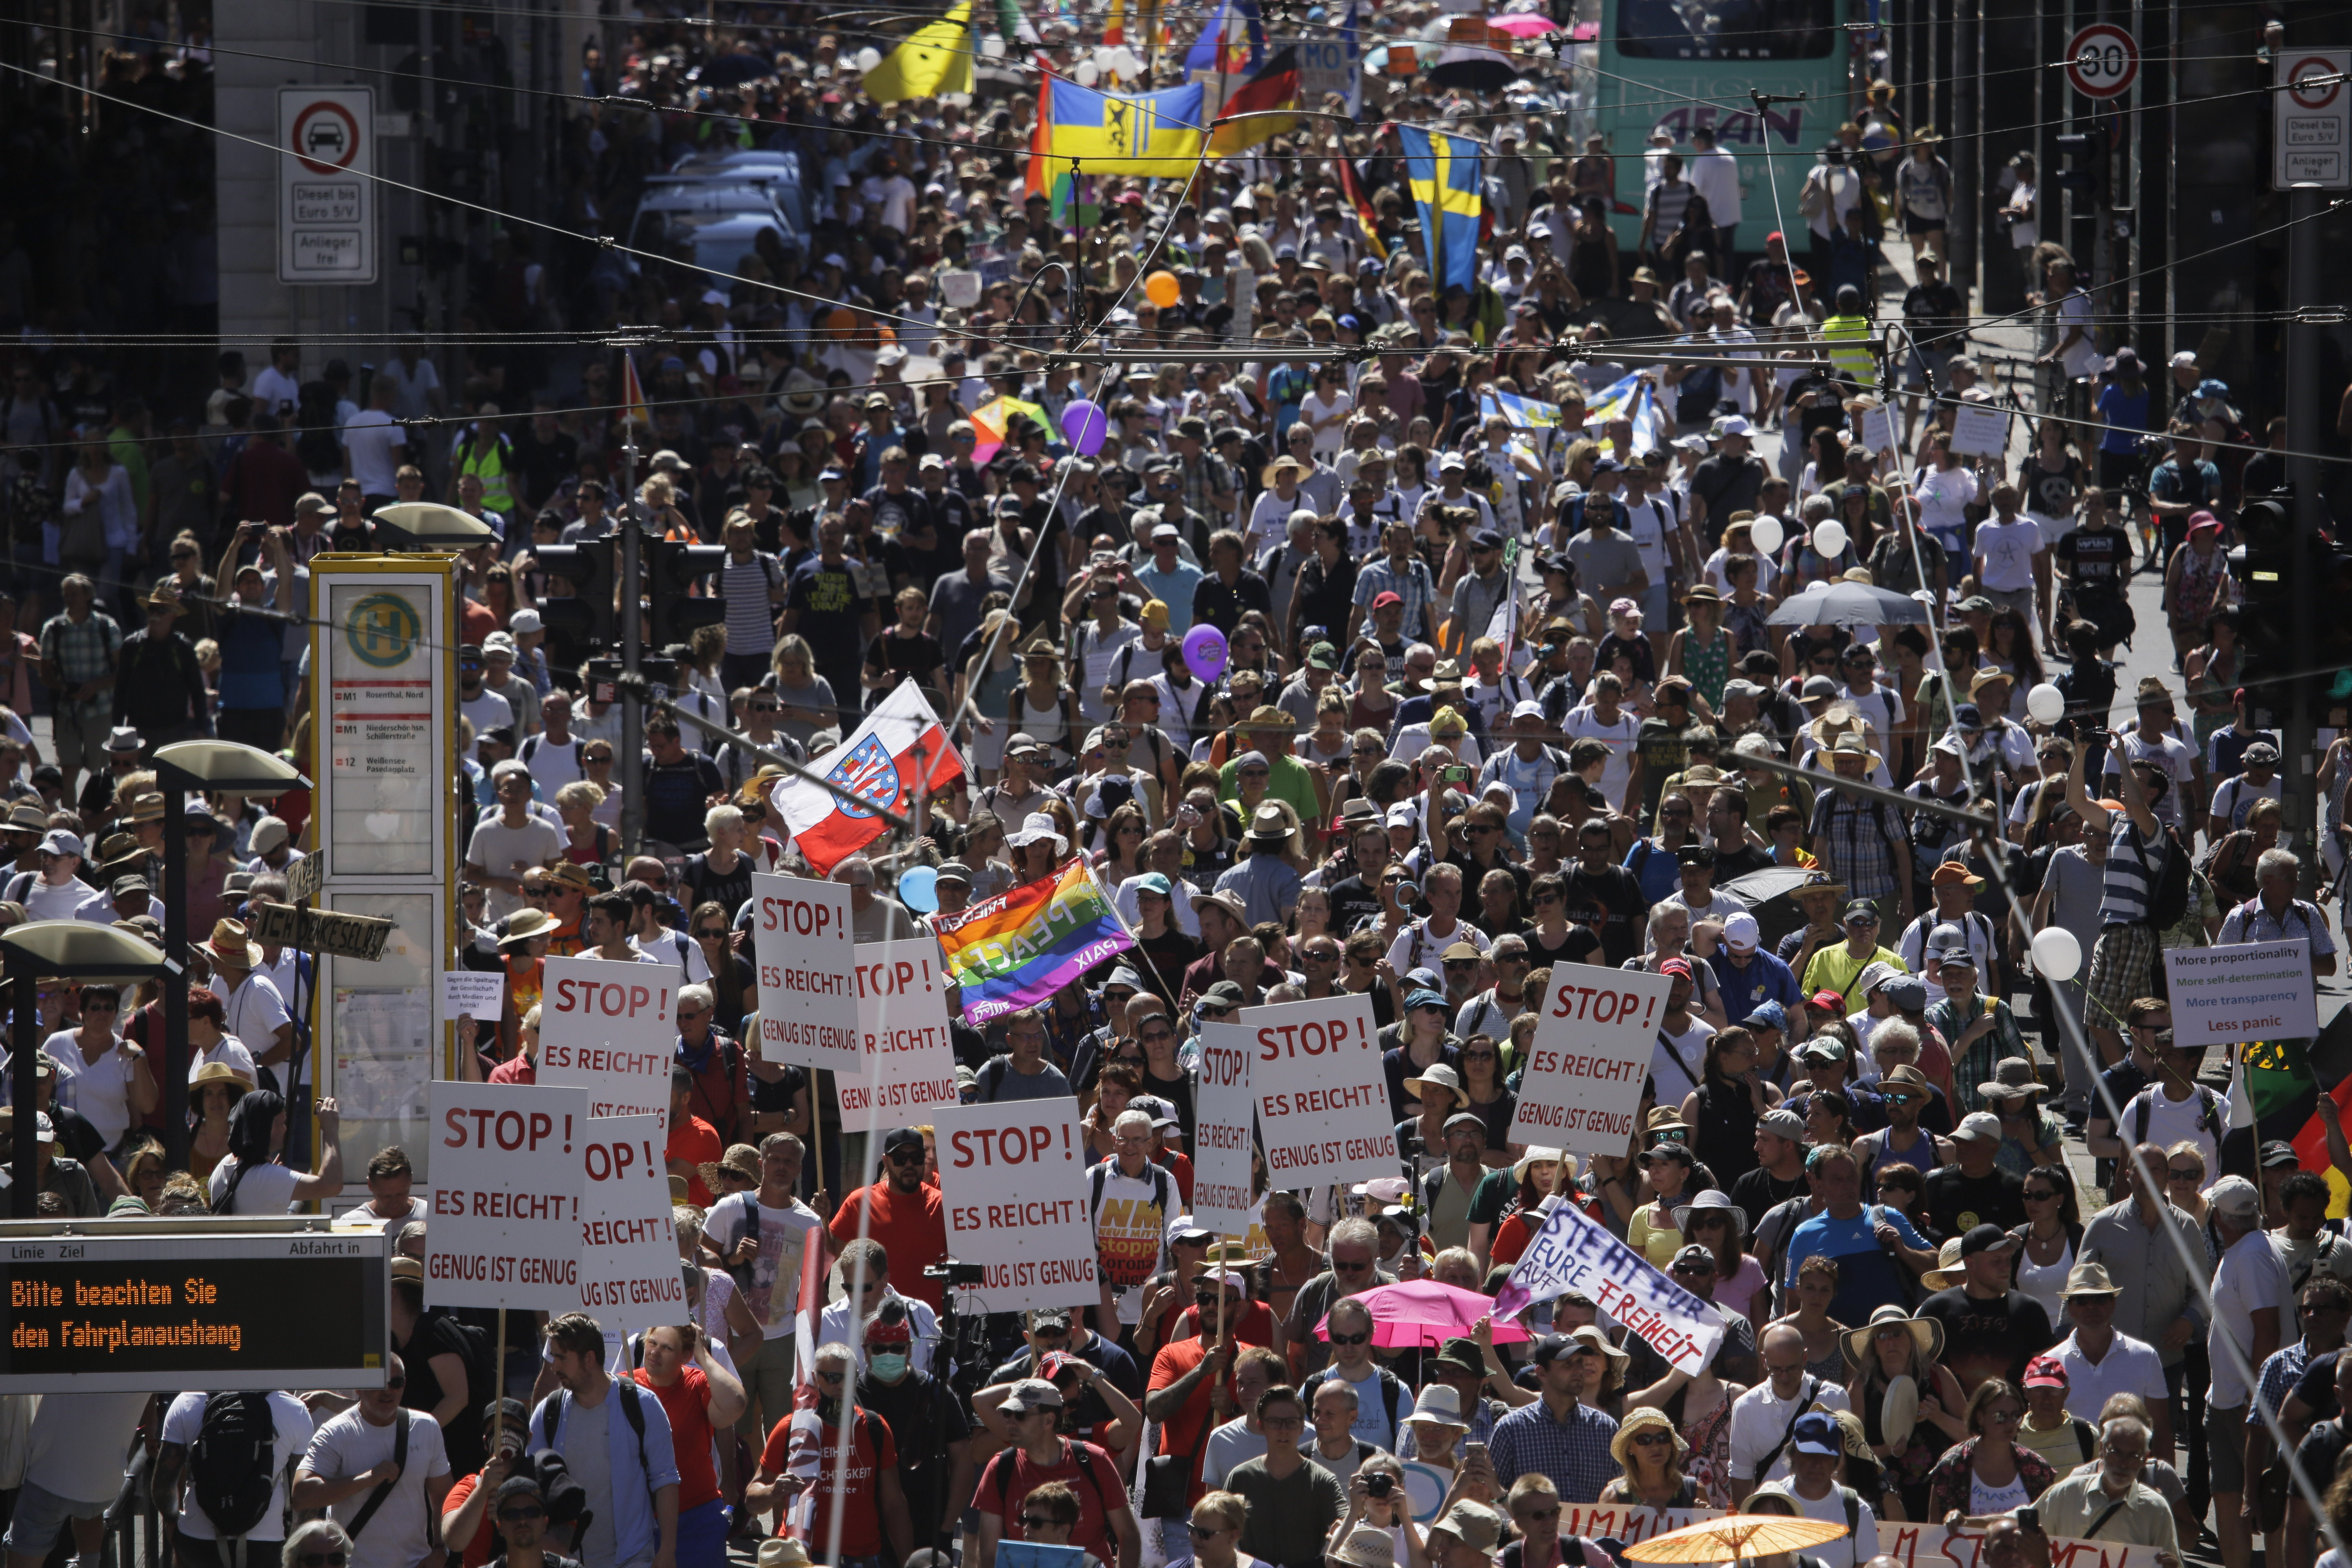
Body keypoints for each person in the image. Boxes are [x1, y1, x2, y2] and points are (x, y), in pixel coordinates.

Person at [530, 1314, 680, 1568]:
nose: (555, 1366)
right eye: (553, 1356)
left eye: (562, 1357)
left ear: (589, 1359)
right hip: (566, 1561)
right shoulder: (548, 1412)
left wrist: (667, 1549)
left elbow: (665, 1481)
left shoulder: (643, 1406)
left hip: (633, 1556)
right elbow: (531, 1485)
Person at [747, 1343, 913, 1567]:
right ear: (816, 1378)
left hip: (862, 1558)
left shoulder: (874, 1428)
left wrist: (908, 1562)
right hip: (803, 1556)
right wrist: (773, 1491)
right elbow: (752, 1501)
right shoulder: (791, 1429)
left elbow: (895, 1505)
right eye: (833, 1378)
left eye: (849, 1378)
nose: (842, 1386)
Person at [293, 1352, 456, 1568]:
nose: (388, 1391)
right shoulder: (335, 1432)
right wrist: (366, 1480)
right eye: (378, 1383)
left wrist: (440, 1549)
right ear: (358, 1388)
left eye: (396, 1383)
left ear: (404, 1385)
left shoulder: (426, 1427)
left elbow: (443, 1496)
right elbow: (301, 1496)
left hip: (415, 1563)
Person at [154, 1378, 319, 1568]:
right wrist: (297, 1549)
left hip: (198, 1538)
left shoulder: (187, 1401)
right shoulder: (294, 1409)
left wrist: (172, 1526)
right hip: (266, 1543)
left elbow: (163, 1483)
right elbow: (304, 1495)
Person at [971, 1377, 1136, 1568]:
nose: (1010, 1422)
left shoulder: (1093, 1460)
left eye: (1021, 1415)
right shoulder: (1000, 1468)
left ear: (1049, 1419)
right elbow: (988, 1553)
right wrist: (1029, 1383)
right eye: (1008, 1413)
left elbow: (1128, 1535)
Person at [632, 1323, 746, 1568]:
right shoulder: (625, 1385)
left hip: (697, 1516)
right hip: (641, 1519)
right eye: (652, 1343)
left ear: (685, 1356)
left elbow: (736, 1404)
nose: (654, 1352)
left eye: (667, 1348)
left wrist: (702, 1355)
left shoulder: (697, 1383)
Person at [1727, 1323, 1853, 1499]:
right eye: (1777, 1370)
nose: (1785, 1376)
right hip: (1770, 1513)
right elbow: (1741, 1474)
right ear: (1764, 1362)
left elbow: (1843, 1466)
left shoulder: (1834, 1398)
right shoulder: (1745, 1407)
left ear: (1805, 1358)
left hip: (1820, 1512)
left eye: (1792, 1368)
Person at [2034, 1414, 2180, 1548]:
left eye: (2134, 1455)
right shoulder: (2067, 1492)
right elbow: (2022, 1522)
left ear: (2145, 1459)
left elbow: (2171, 1557)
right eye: (2116, 1452)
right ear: (2101, 1450)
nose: (2123, 1464)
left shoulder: (2156, 1508)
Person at [1920, 1379, 2057, 1520]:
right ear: (1980, 1417)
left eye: (2016, 1416)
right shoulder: (1951, 1466)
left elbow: (2050, 1527)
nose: (2010, 1424)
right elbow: (1934, 1531)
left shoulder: (2037, 1469)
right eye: (2000, 1417)